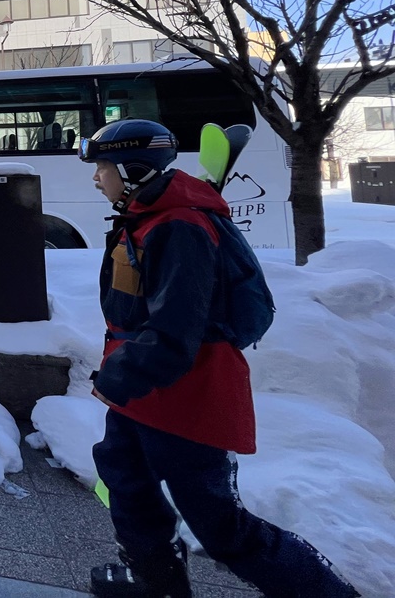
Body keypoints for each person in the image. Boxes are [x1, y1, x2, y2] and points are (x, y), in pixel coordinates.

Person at [79, 119, 358, 598]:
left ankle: (324, 591)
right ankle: (157, 581)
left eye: (103, 167)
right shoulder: (151, 215)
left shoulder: (179, 227)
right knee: (127, 482)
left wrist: (120, 376)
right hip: (143, 390)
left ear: (134, 171)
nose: (96, 177)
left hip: (187, 393)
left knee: (217, 522)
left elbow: (175, 329)